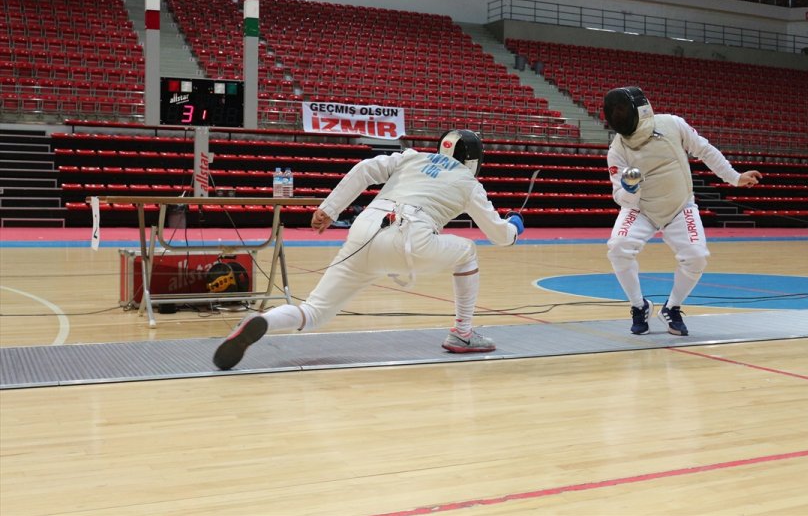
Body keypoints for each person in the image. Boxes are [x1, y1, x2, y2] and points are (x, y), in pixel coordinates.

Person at [213, 129, 525, 370]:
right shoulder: (469, 183)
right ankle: (463, 332)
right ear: (474, 160)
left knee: (314, 311)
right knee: (467, 251)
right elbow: (499, 236)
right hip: (410, 236)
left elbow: (365, 169)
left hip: (365, 227)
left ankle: (264, 322)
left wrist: (330, 209)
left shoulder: (412, 156)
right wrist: (515, 227)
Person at [602, 86, 762, 336]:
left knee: (697, 257)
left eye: (623, 110)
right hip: (642, 209)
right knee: (619, 248)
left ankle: (672, 308)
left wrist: (734, 177)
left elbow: (704, 149)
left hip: (680, 206)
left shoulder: (672, 125)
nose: (619, 116)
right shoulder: (617, 151)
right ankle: (638, 306)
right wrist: (630, 188)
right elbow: (620, 198)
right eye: (616, 112)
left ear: (639, 110)